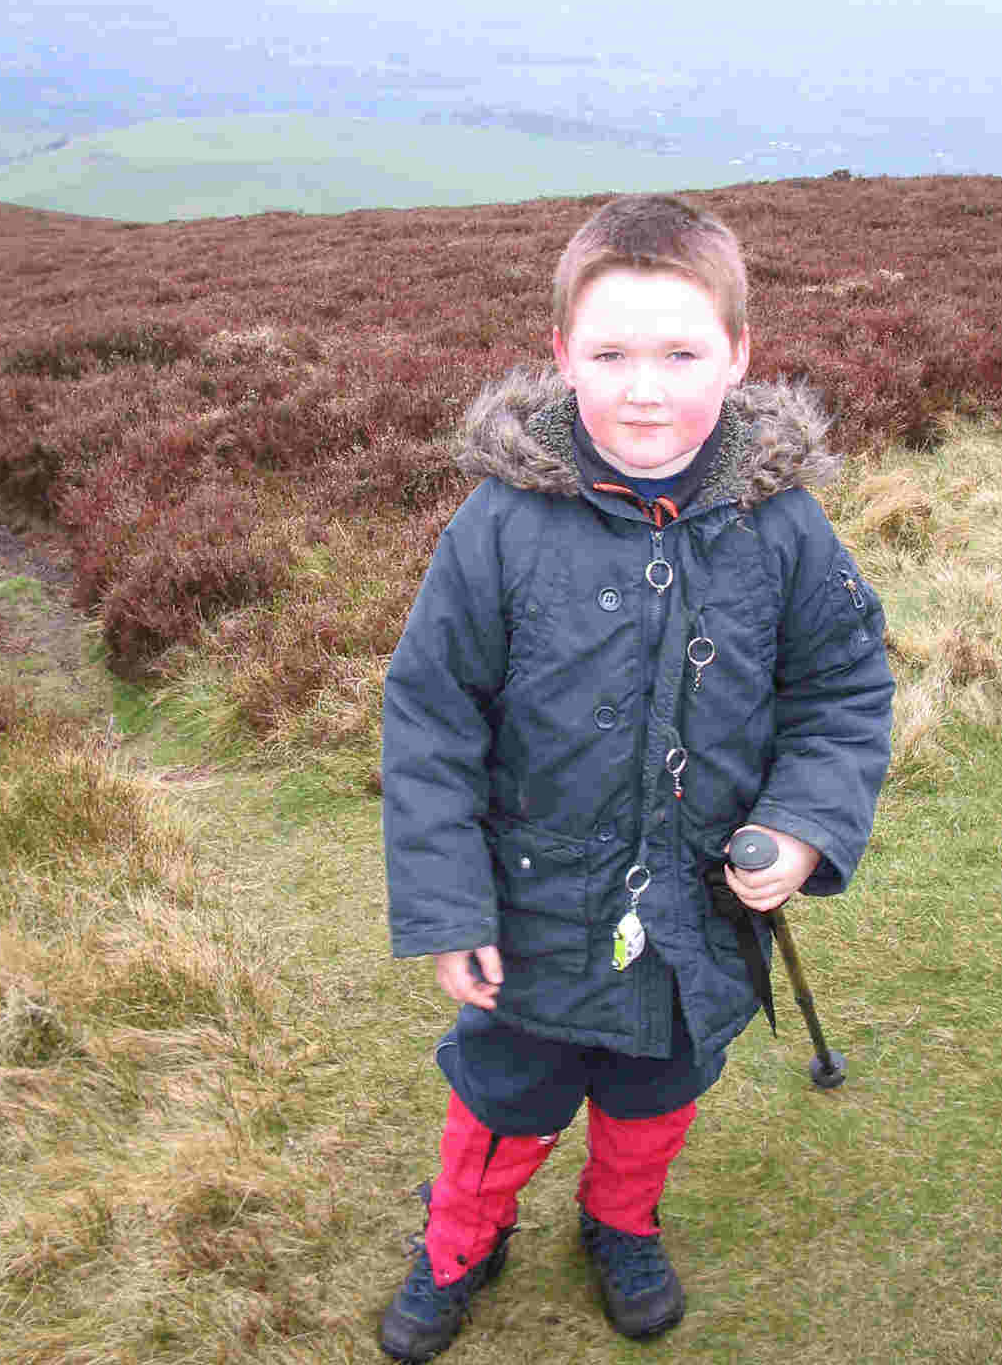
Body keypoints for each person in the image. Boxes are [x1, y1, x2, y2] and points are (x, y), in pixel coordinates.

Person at [377, 194, 893, 1361]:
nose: (644, 390)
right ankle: (462, 1237)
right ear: (561, 356)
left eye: (680, 353)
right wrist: (450, 906)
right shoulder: (497, 524)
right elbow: (431, 716)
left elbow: (844, 695)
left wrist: (802, 827)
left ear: (741, 354)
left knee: (659, 1085)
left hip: (696, 911)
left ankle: (622, 1221)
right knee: (504, 1093)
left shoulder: (788, 528)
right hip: (530, 909)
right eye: (610, 354)